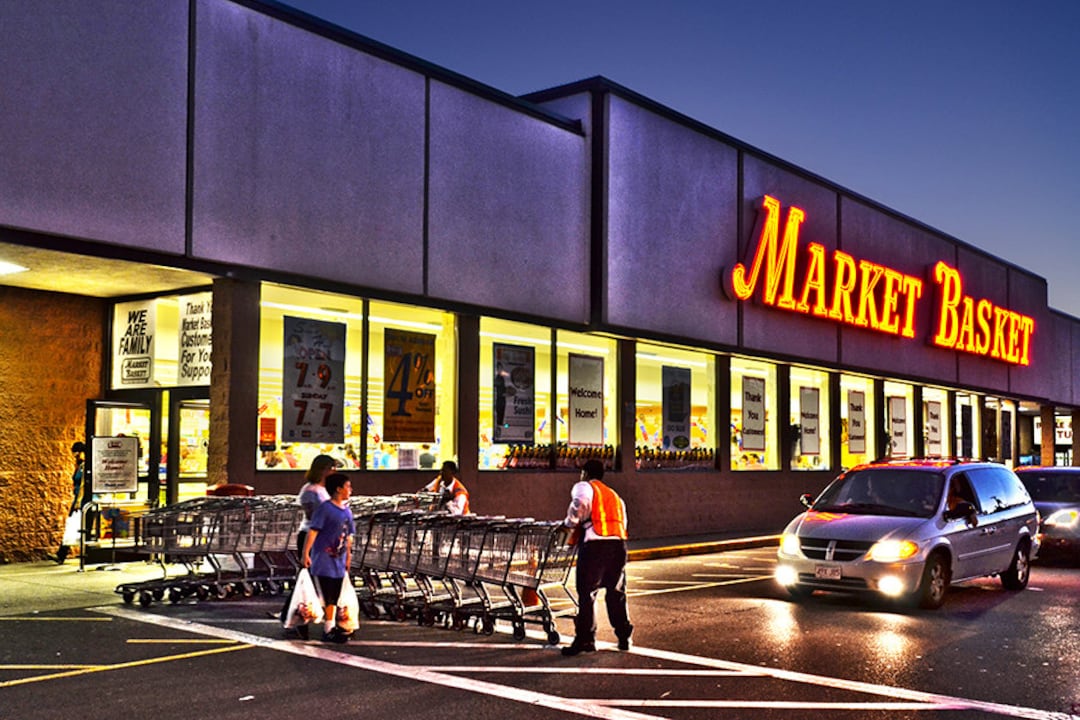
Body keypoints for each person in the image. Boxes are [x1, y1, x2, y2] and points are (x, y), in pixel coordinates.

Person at [561, 459, 633, 656]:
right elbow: (623, 521)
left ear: (585, 473)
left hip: (595, 545)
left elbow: (580, 505)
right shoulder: (615, 496)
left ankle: (586, 639)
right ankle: (623, 634)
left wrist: (569, 522)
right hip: (618, 545)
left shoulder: (585, 487)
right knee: (616, 592)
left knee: (587, 593)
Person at [279, 454, 336, 631]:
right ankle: (296, 612)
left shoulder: (323, 489)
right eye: (332, 468)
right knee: (308, 577)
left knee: (321, 577)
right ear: (324, 470)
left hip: (322, 536)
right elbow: (315, 517)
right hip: (311, 536)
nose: (335, 471)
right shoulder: (311, 492)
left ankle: (323, 617)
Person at [302, 472, 356, 643]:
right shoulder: (325, 509)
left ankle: (332, 625)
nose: (350, 490)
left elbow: (349, 536)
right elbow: (313, 531)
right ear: (338, 489)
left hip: (339, 559)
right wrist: (306, 553)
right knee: (328, 592)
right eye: (347, 486)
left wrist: (348, 556)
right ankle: (328, 628)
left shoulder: (347, 511)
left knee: (335, 592)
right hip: (324, 557)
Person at [53, 442, 87, 564]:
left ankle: (62, 554)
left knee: (78, 525)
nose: (75, 456)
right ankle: (62, 553)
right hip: (78, 498)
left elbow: (83, 485)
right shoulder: (80, 465)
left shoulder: (86, 466)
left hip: (82, 500)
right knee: (73, 525)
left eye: (76, 454)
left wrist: (78, 501)